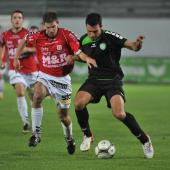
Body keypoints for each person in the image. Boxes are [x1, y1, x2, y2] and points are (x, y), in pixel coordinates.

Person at [13, 11, 97, 155]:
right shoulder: (38, 35)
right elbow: (23, 40)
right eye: (48, 27)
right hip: (45, 76)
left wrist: (86, 58)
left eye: (53, 27)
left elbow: (78, 52)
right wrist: (16, 58)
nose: (50, 30)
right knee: (37, 95)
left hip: (63, 81)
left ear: (57, 23)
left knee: (63, 115)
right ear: (44, 26)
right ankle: (36, 134)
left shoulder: (66, 35)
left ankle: (69, 138)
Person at [74, 13, 154, 159]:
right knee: (78, 103)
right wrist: (73, 58)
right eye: (89, 31)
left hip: (113, 80)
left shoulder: (110, 36)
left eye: (95, 31)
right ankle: (88, 135)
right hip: (94, 80)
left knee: (119, 114)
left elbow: (133, 46)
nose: (92, 35)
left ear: (101, 27)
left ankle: (145, 140)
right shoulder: (83, 40)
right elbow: (80, 56)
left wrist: (138, 44)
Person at [0, 10, 38, 132]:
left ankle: (36, 123)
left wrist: (25, 48)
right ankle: (25, 121)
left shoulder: (28, 33)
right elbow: (2, 46)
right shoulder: (5, 34)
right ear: (11, 20)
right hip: (15, 69)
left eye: (20, 17)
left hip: (31, 70)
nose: (17, 19)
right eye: (15, 17)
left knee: (34, 98)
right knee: (20, 92)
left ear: (22, 20)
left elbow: (36, 48)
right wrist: (2, 59)